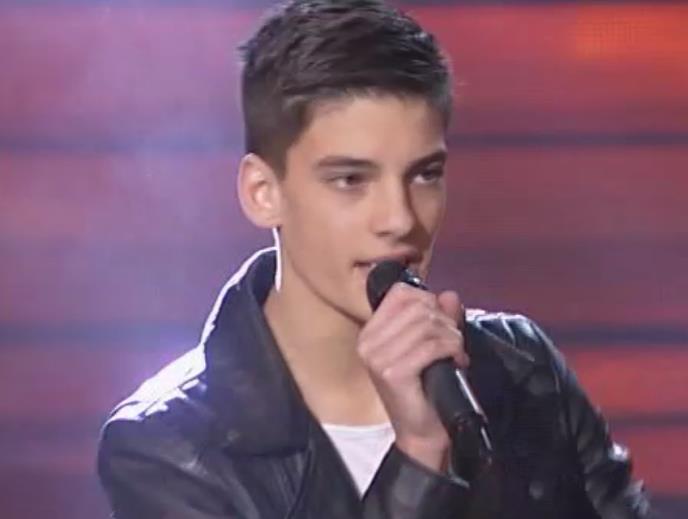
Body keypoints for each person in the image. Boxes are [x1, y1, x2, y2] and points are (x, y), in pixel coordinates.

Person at [97, 1, 652, 517]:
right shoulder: (167, 447)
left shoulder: (521, 367)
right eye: (350, 180)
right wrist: (419, 455)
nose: (400, 219)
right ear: (263, 193)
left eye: (425, 175)